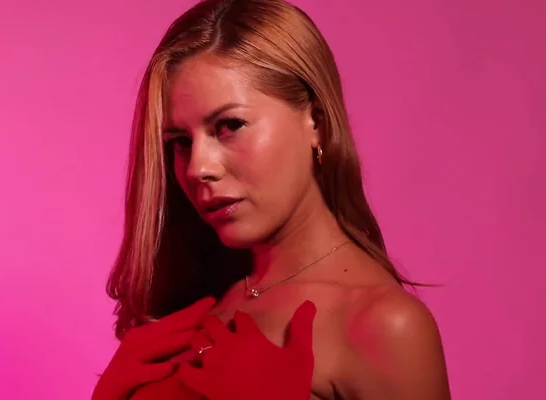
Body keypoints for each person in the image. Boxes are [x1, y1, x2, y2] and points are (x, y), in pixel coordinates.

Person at [92, 0, 451, 399]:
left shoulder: (383, 325)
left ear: (316, 122)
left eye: (229, 125)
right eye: (180, 142)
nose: (197, 168)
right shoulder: (195, 300)